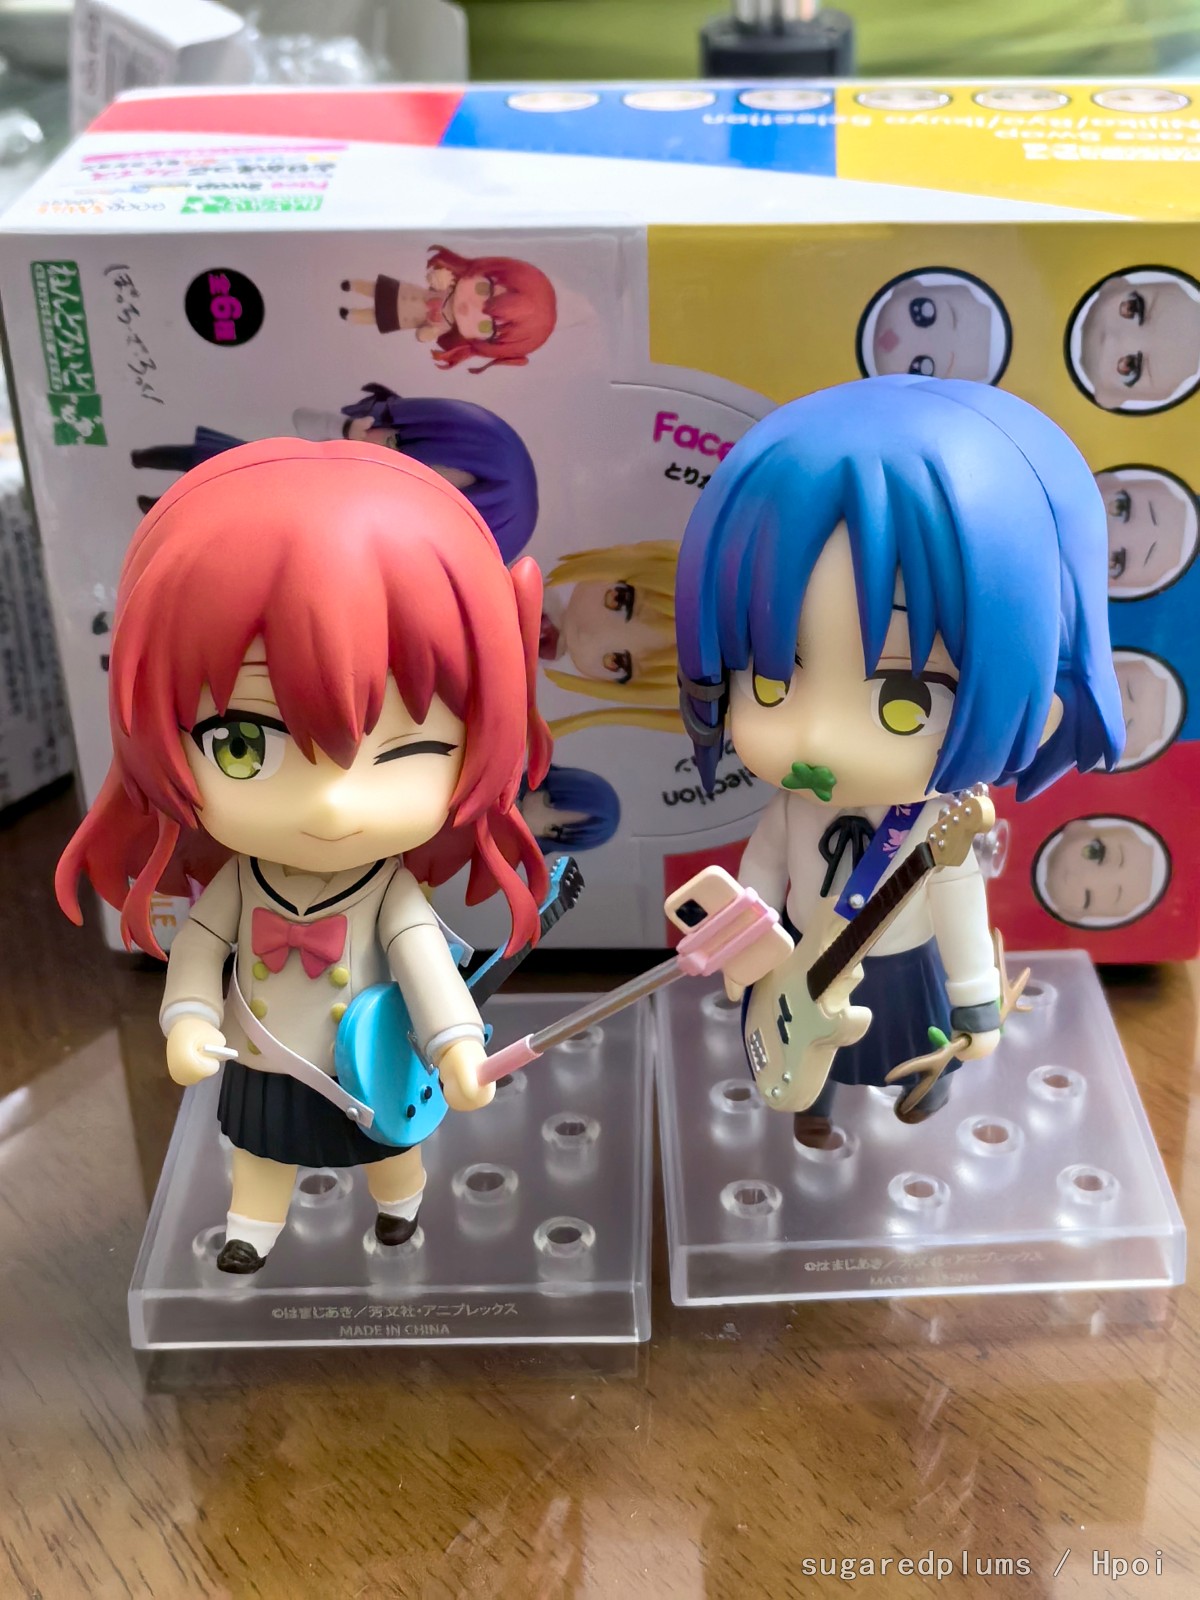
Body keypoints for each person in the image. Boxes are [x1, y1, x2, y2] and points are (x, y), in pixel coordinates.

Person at [56, 440, 551, 1274]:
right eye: (243, 744)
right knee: (261, 1150)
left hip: (371, 1059)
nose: (331, 804)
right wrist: (188, 1019)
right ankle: (251, 1231)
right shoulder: (238, 881)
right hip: (265, 1054)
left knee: (388, 1145)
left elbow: (425, 967)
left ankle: (399, 1206)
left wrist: (457, 1048)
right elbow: (199, 949)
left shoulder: (388, 891)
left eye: (409, 750)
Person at [675, 375, 1123, 1133]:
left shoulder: (935, 826)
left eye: (903, 699)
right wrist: (743, 950)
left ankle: (923, 1095)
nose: (818, 740)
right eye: (772, 683)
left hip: (905, 960)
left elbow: (958, 904)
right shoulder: (793, 808)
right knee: (803, 1056)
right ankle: (810, 1106)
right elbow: (760, 874)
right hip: (797, 955)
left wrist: (975, 998)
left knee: (915, 1045)